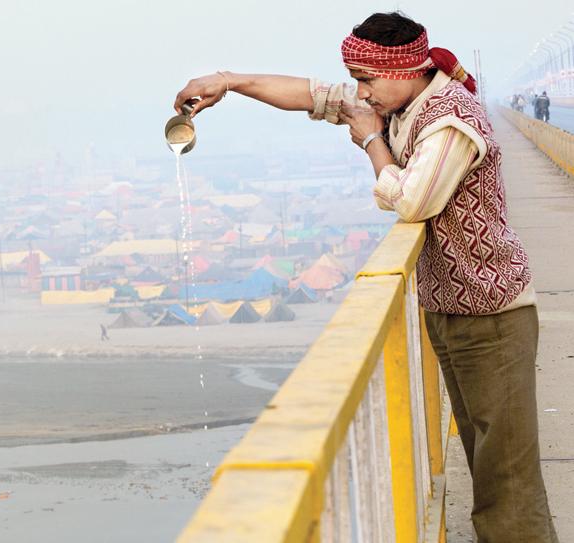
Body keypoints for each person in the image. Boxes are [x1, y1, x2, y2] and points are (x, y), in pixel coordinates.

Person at [174, 11, 558, 543]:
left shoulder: (450, 119)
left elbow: (412, 202)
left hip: (494, 315)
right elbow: (311, 95)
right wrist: (230, 82)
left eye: (366, 80)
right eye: (356, 79)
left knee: (507, 479)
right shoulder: (402, 100)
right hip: (452, 307)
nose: (359, 92)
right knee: (483, 458)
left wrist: (372, 143)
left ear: (402, 70)